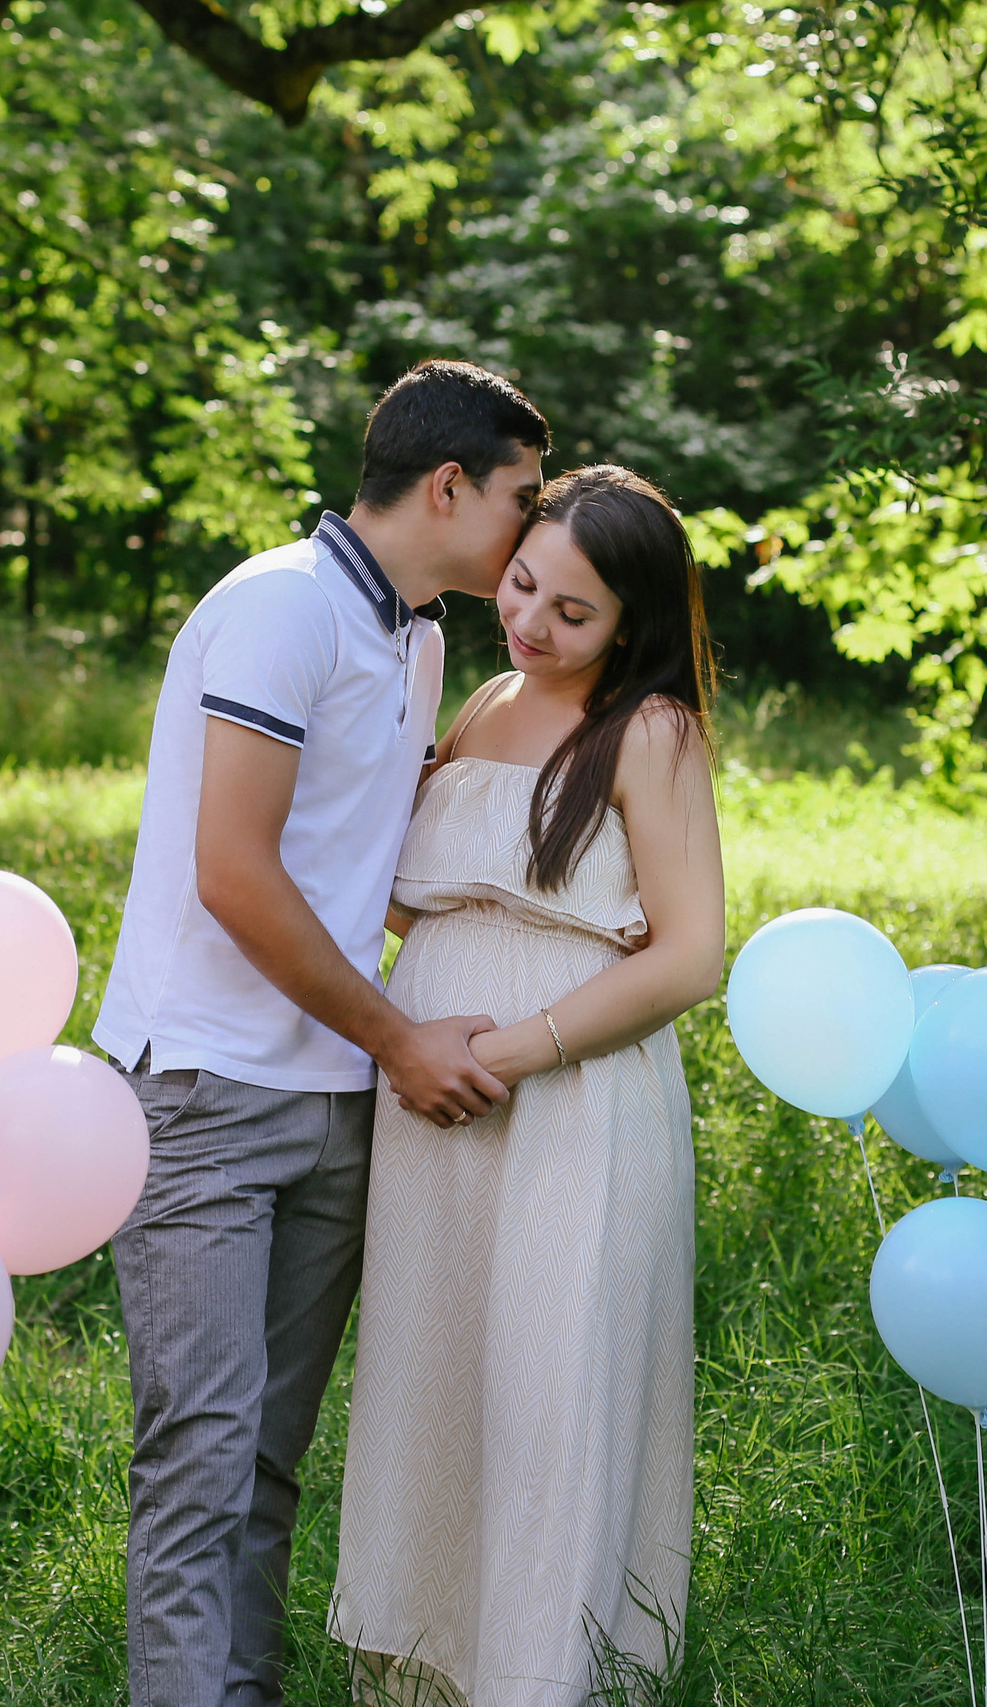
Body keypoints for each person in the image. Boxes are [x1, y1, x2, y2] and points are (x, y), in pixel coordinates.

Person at [94, 359, 550, 1707]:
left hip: (336, 1101)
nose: (534, 527)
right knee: (199, 1459)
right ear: (449, 484)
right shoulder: (279, 606)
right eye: (523, 497)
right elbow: (233, 875)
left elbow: (368, 866)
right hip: (204, 1094)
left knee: (264, 1464)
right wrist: (402, 1040)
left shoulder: (420, 639)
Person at [331, 466, 726, 1705]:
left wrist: (510, 1048)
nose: (531, 623)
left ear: (631, 623)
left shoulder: (648, 732)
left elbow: (690, 954)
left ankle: (539, 1677)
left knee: (553, 1387)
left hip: (568, 1101)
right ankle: (427, 1669)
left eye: (572, 611)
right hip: (434, 1113)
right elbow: (417, 894)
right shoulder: (483, 696)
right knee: (436, 1378)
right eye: (521, 585)